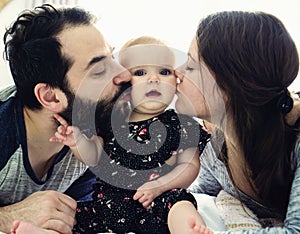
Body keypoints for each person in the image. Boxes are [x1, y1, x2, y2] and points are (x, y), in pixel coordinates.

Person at [16, 35, 208, 234]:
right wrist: (77, 142)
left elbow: (190, 165)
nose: (153, 78)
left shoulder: (181, 125)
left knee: (180, 203)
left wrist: (160, 185)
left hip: (156, 202)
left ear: (176, 82)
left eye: (165, 71)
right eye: (141, 72)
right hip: (108, 206)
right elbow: (94, 156)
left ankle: (190, 229)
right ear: (124, 83)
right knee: (71, 215)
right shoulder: (111, 122)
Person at [0, 3, 131, 234]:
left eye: (113, 57)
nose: (124, 74)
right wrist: (7, 216)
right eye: (99, 70)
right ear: (50, 97)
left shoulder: (97, 127)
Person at [167, 11, 300, 233]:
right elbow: (200, 196)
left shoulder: (295, 144)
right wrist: (180, 207)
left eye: (190, 66)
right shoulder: (216, 151)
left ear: (229, 84)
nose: (177, 74)